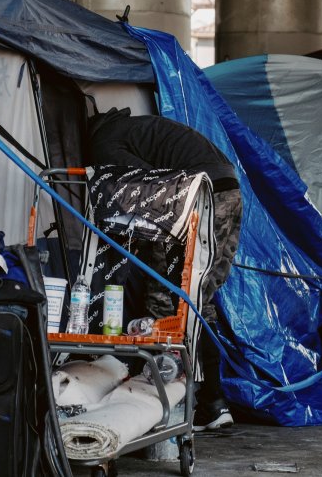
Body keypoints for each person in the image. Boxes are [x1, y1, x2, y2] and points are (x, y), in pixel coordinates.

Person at [87, 107, 240, 431]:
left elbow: (153, 188)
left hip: (194, 197)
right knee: (198, 300)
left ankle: (176, 405)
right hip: (227, 189)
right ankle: (213, 403)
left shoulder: (104, 142)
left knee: (165, 300)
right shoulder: (136, 128)